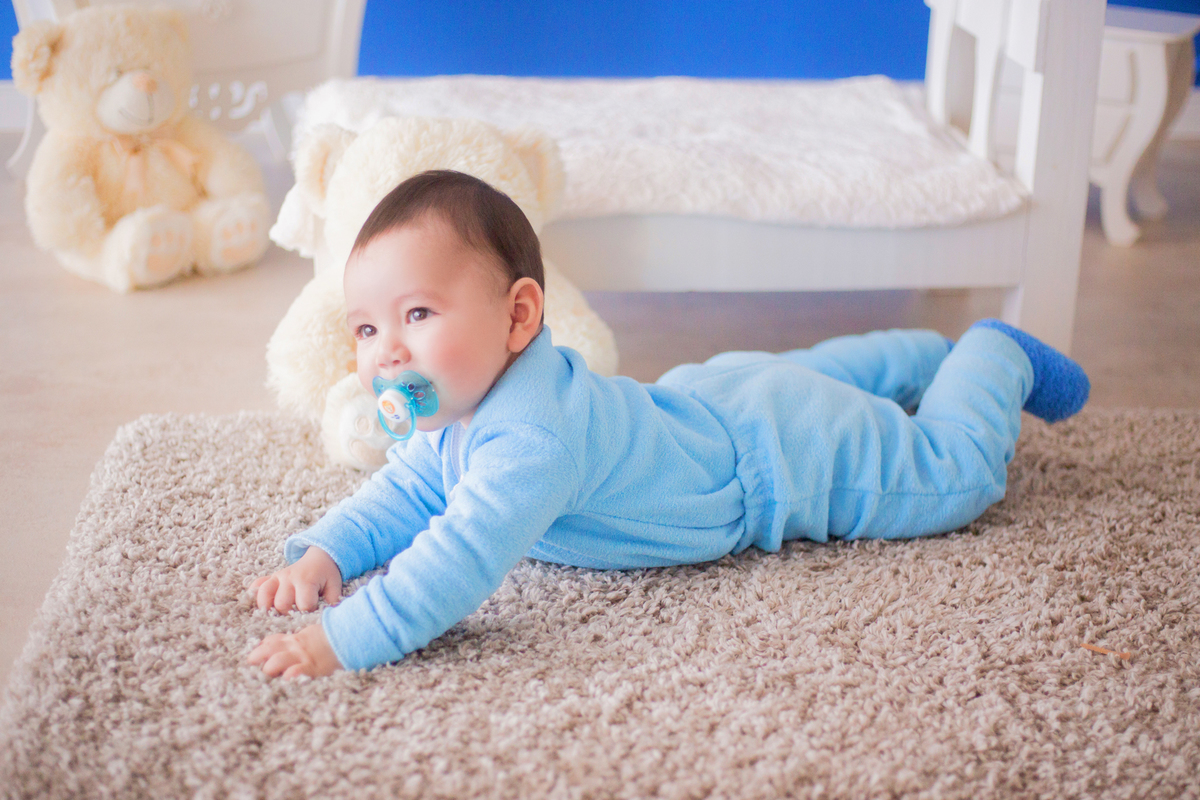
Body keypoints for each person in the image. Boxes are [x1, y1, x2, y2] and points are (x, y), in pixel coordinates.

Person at [247, 170, 1090, 679]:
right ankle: (914, 356)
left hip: (774, 458)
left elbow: (457, 560)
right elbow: (414, 486)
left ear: (518, 316)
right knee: (802, 377)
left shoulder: (530, 441)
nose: (386, 352)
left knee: (950, 475)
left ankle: (986, 355)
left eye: (418, 313)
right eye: (366, 329)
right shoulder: (466, 404)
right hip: (702, 404)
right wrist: (329, 549)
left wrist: (341, 641)